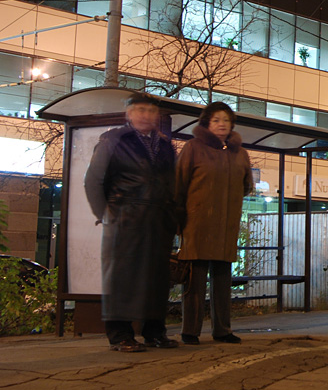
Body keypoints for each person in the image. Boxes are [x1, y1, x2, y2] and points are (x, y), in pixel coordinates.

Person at [84, 92, 178, 352]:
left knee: (156, 278)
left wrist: (173, 217)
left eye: (150, 111)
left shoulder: (165, 145)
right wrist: (105, 214)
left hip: (158, 220)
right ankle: (120, 335)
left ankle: (155, 331)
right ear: (129, 113)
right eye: (140, 110)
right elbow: (93, 179)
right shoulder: (114, 139)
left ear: (157, 115)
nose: (145, 115)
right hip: (125, 218)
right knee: (122, 278)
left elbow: (173, 184)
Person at [175, 102, 253, 345]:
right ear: (207, 123)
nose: (221, 124)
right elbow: (179, 183)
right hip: (197, 223)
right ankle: (190, 330)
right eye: (216, 120)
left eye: (226, 120)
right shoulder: (193, 148)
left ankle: (222, 329)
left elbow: (247, 185)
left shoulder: (239, 153)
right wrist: (179, 219)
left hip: (226, 225)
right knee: (194, 280)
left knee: (222, 279)